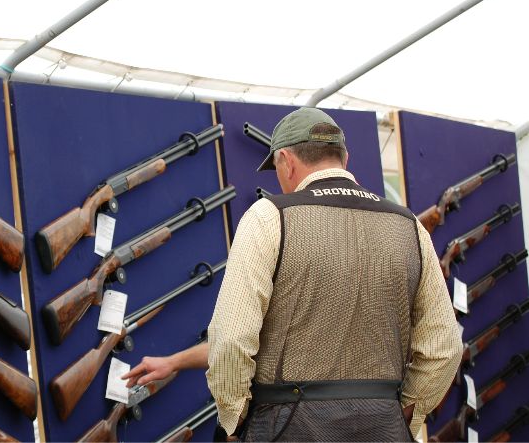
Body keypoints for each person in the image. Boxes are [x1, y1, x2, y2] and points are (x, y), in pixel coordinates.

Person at [123, 107, 462, 441]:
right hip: (383, 427)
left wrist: (238, 422)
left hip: (286, 426)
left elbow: (230, 340)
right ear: (344, 159)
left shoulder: (270, 217)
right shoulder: (409, 227)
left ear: (285, 160)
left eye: (276, 168)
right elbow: (444, 348)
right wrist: (403, 413)